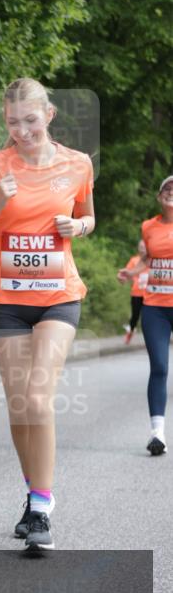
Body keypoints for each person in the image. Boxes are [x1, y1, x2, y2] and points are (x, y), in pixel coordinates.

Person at [0, 78, 95, 552]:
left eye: (31, 120)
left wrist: (77, 225)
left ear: (49, 116)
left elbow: (88, 217)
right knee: (20, 407)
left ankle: (42, 506)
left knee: (38, 399)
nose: (22, 131)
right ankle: (34, 495)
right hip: (10, 303)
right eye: (13, 122)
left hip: (59, 296)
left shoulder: (77, 164)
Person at [118, 176, 173, 455]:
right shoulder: (148, 227)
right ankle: (157, 434)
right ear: (158, 196)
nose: (171, 192)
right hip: (155, 307)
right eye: (166, 188)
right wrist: (132, 272)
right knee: (160, 367)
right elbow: (148, 260)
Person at [118, 240, 148, 344]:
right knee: (135, 317)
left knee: (149, 317)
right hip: (137, 293)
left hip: (150, 294)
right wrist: (122, 278)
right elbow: (127, 273)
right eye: (141, 247)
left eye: (144, 247)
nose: (142, 249)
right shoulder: (134, 260)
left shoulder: (153, 260)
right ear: (138, 248)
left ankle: (152, 338)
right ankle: (130, 333)